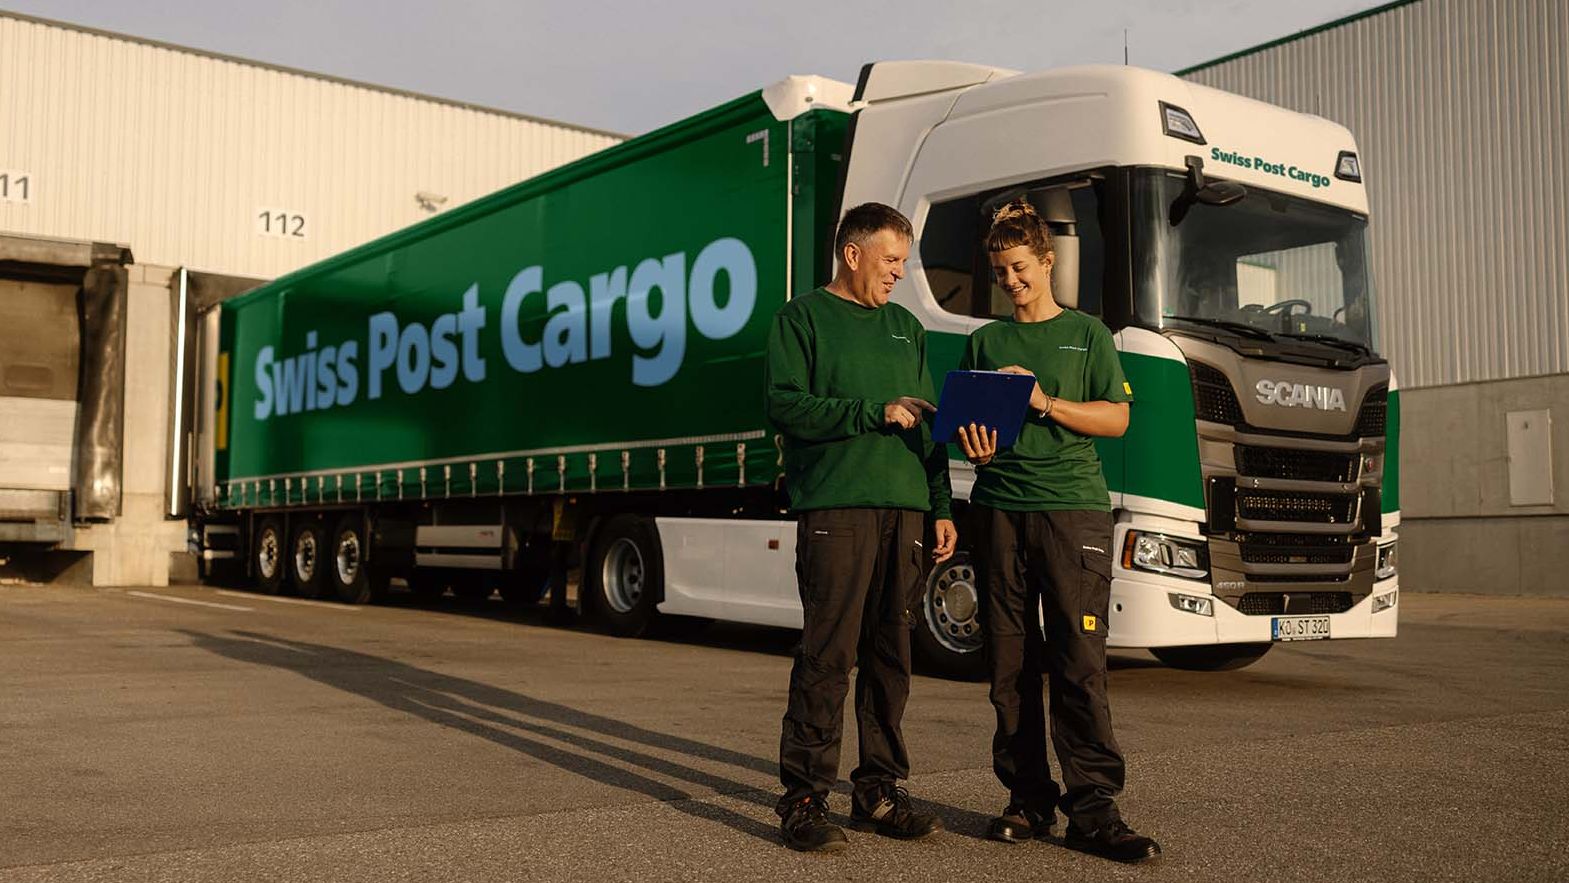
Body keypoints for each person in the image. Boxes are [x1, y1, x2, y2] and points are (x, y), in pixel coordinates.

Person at [955, 200, 1160, 863]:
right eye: (998, 271)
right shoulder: (984, 342)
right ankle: (1027, 799)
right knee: (1008, 667)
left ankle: (1094, 808)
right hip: (998, 510)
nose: (1009, 282)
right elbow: (971, 434)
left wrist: (1042, 399)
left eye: (1017, 268)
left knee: (1078, 663)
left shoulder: (1087, 334)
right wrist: (976, 445)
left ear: (1046, 261)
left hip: (1071, 511)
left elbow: (1115, 419)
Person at [765, 202, 958, 853]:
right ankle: (803, 795)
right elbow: (785, 405)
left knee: (890, 658)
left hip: (904, 513)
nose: (898, 274)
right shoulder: (802, 318)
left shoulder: (907, 328)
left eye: (903, 262)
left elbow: (928, 423)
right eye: (891, 260)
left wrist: (940, 506)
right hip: (836, 509)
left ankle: (878, 788)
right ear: (853, 253)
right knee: (827, 655)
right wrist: (871, 412)